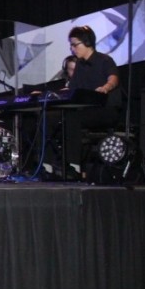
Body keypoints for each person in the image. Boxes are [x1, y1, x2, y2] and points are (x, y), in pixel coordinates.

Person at [61, 25, 122, 176]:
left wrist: (106, 87)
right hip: (86, 110)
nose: (72, 49)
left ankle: (74, 166)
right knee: (51, 117)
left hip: (106, 110)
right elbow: (72, 89)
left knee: (72, 117)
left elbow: (113, 79)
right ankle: (48, 165)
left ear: (87, 42)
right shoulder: (80, 66)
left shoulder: (105, 60)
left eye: (75, 45)